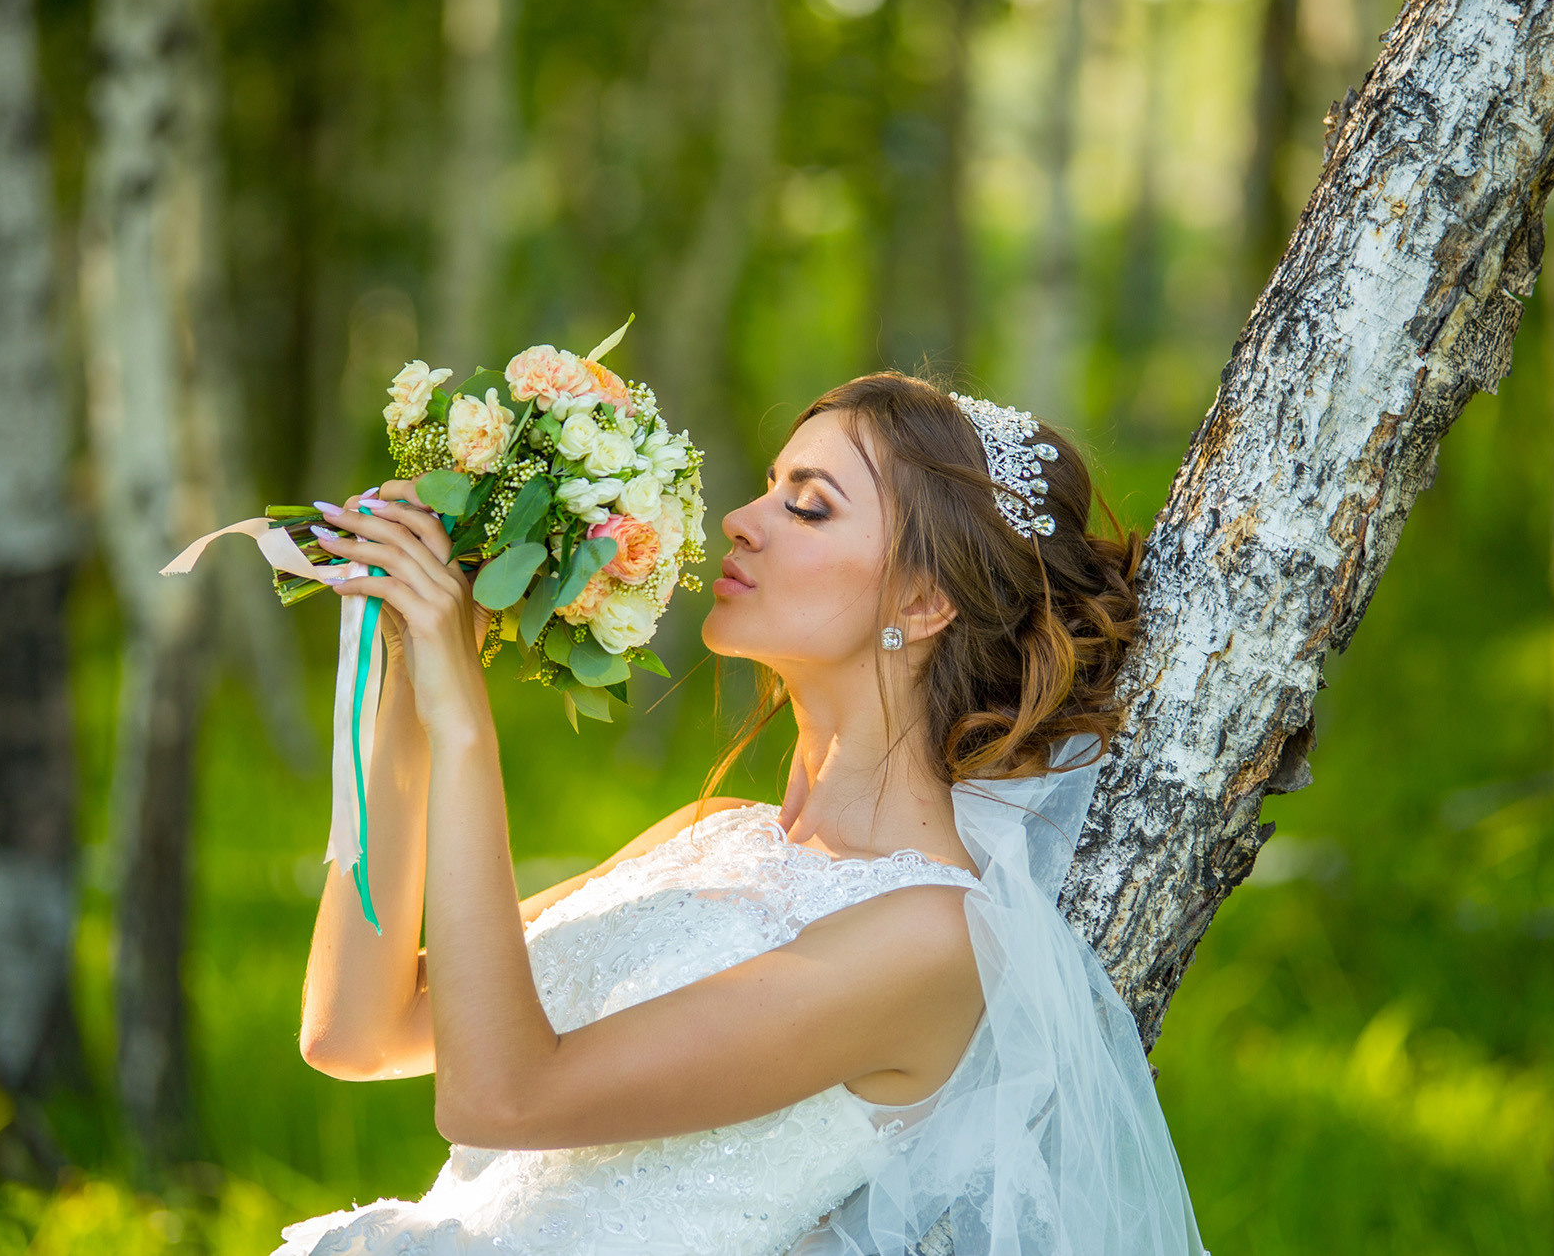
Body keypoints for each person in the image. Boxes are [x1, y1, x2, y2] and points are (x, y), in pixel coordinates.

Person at [277, 373, 1206, 1255]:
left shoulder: (933, 934)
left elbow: (500, 1099)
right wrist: (412, 665)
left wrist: (467, 727)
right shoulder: (706, 830)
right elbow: (355, 1030)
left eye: (808, 504)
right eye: (770, 487)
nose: (740, 520)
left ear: (924, 602)